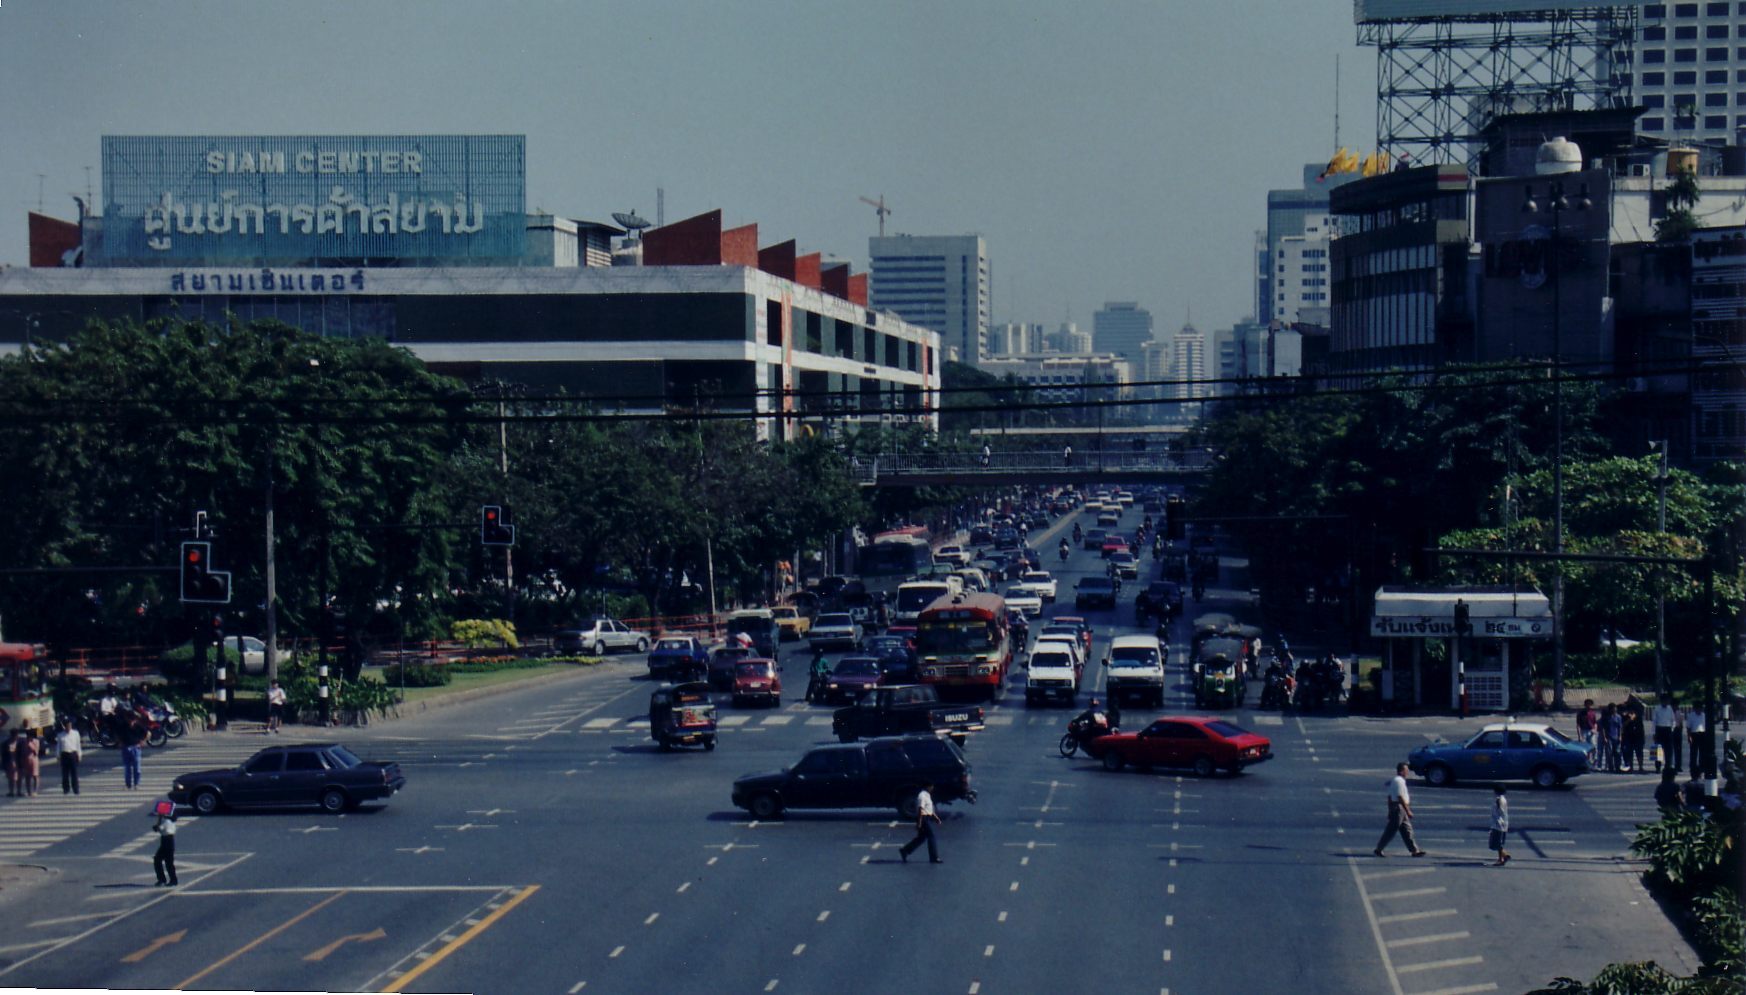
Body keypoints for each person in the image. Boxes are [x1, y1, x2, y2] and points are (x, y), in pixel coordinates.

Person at [1374, 762, 1426, 857]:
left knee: (1407, 830)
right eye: (1406, 770)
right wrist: (1408, 811)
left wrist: (1390, 810)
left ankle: (1414, 850)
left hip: (1397, 808)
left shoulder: (1395, 780)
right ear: (1402, 771)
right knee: (1391, 830)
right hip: (1399, 808)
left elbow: (1389, 797)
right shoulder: (1399, 781)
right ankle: (1379, 849)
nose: (1408, 772)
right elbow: (1400, 797)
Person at [898, 781, 942, 864]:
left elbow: (929, 809)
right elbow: (920, 810)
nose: (932, 788)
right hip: (923, 819)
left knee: (921, 838)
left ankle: (905, 850)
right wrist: (919, 822)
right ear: (927, 787)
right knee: (931, 836)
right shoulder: (922, 796)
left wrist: (936, 818)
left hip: (927, 817)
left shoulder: (927, 795)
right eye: (931, 786)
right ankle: (934, 857)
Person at [1651, 695, 1682, 774]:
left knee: (1669, 750)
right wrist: (1653, 732)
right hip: (1659, 729)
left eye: (1667, 701)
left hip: (1668, 730)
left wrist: (1671, 729)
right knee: (1657, 749)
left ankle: (1668, 767)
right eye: (1664, 701)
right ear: (1661, 701)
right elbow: (1654, 721)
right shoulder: (1657, 708)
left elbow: (1673, 720)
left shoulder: (1670, 709)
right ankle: (1657, 767)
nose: (1666, 702)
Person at [152, 810, 178, 886]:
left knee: (158, 860)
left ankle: (163, 879)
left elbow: (157, 829)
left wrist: (159, 818)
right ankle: (172, 880)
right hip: (169, 842)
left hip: (166, 842)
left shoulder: (166, 822)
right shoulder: (172, 823)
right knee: (169, 862)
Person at [55, 717, 80, 795]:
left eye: (70, 725)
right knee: (65, 774)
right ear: (65, 726)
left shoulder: (75, 733)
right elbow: (58, 746)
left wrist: (79, 755)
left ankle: (75, 789)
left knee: (74, 773)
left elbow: (78, 745)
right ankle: (66, 789)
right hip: (64, 755)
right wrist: (58, 756)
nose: (69, 727)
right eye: (67, 725)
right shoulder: (60, 735)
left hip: (73, 754)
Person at [1621, 700, 1647, 773]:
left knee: (1639, 752)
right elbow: (1623, 726)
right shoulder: (1625, 717)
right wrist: (1629, 719)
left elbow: (1641, 728)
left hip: (1638, 736)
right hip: (1629, 736)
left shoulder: (1638, 717)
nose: (1631, 712)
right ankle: (1630, 767)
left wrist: (1643, 737)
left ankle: (1640, 767)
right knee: (1629, 752)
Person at [1488, 785, 1511, 866]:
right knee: (1499, 843)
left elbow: (1499, 812)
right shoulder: (1503, 799)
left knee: (1497, 843)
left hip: (1498, 824)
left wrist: (1498, 822)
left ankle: (1503, 857)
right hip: (1502, 824)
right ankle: (1502, 857)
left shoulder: (1498, 800)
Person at [120, 714, 144, 790]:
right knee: (127, 768)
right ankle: (128, 785)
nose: (131, 722)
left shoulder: (139, 726)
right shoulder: (123, 726)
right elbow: (118, 734)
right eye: (129, 720)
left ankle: (136, 784)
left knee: (137, 768)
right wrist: (121, 743)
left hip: (136, 747)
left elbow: (147, 733)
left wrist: (142, 742)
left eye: (132, 720)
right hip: (126, 747)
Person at [1686, 704, 1709, 778]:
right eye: (1697, 709)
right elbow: (1688, 727)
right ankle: (1693, 767)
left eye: (1700, 709)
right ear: (1695, 709)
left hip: (1702, 734)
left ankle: (1702, 767)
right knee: (1693, 752)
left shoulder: (1704, 715)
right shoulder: (1691, 716)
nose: (1699, 710)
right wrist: (1689, 736)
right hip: (1694, 734)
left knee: (1702, 752)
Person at [1599, 704, 1622, 773]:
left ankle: (1618, 767)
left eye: (1615, 709)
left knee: (1617, 753)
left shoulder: (1618, 717)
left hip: (1616, 737)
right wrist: (1604, 737)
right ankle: (1611, 767)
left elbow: (1620, 727)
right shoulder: (1606, 717)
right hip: (1609, 737)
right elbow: (1603, 728)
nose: (1615, 710)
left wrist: (1620, 736)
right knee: (1609, 753)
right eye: (1613, 709)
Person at [1576, 699, 1598, 763]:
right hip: (1584, 731)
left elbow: (1595, 722)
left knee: (1593, 746)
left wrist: (1595, 729)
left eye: (1590, 704)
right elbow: (1578, 725)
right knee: (1585, 747)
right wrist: (1579, 736)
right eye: (1587, 704)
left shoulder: (1593, 713)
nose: (1589, 706)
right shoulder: (1580, 713)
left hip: (1591, 731)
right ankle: (1586, 760)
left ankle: (1593, 760)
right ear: (1585, 705)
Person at [19, 729, 39, 798]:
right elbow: (22, 752)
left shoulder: (36, 741)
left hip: (34, 760)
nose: (29, 737)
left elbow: (36, 752)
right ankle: (28, 791)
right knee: (27, 777)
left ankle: (35, 791)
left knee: (35, 776)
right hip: (26, 760)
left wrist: (31, 745)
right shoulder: (24, 742)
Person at [3, 729, 17, 797]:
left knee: (14, 778)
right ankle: (12, 791)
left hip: (14, 762)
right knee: (11, 778)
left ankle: (13, 791)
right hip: (10, 762)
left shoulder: (17, 742)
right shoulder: (7, 743)